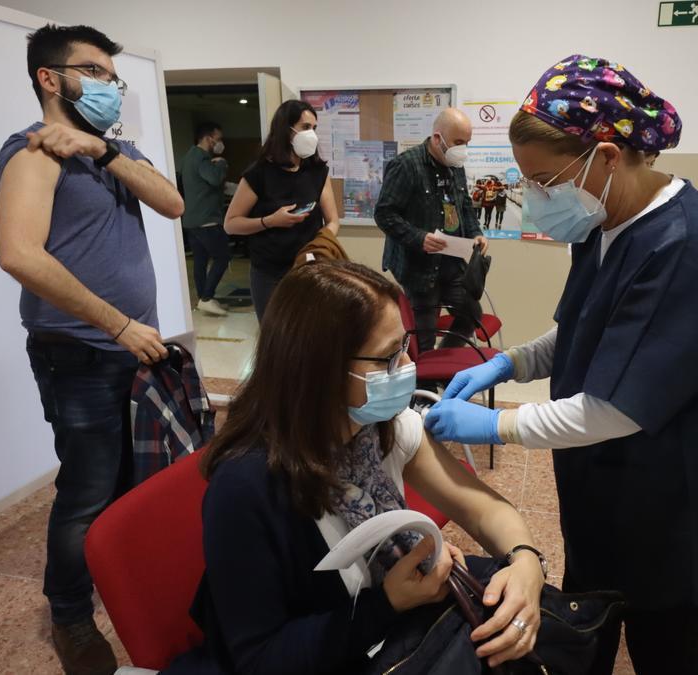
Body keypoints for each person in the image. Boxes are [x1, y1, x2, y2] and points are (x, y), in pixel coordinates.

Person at [421, 55, 698, 675]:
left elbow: (616, 409)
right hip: (608, 491)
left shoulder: (692, 251)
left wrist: (496, 425)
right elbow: (580, 329)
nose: (535, 198)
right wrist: (508, 362)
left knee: (663, 648)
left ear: (608, 156)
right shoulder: (606, 223)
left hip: (671, 505)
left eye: (544, 181)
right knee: (591, 628)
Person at [165, 261, 546, 674]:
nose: (406, 369)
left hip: (389, 638)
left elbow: (485, 510)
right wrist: (387, 603)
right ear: (320, 369)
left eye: (405, 348)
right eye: (387, 358)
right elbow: (261, 658)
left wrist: (525, 563)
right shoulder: (246, 488)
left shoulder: (379, 427)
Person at [0, 24, 184, 675]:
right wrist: (117, 324)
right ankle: (71, 615)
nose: (110, 85)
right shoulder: (31, 153)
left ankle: (130, 585)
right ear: (51, 78)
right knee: (87, 492)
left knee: (140, 484)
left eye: (112, 75)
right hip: (79, 354)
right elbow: (17, 253)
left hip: (140, 352)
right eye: (95, 71)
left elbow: (173, 201)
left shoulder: (113, 149)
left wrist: (100, 151)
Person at [375, 108, 489, 352]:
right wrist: (419, 238)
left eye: (467, 143)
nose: (463, 149)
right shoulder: (406, 165)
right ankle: (423, 386)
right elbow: (384, 214)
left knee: (471, 313)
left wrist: (475, 233)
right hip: (419, 267)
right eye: (459, 142)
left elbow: (465, 207)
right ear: (438, 138)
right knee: (423, 337)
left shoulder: (455, 164)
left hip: (452, 264)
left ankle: (442, 363)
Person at [223, 100, 341, 320]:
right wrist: (269, 221)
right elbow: (231, 224)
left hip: (309, 269)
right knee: (274, 339)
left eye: (314, 128)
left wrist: (318, 245)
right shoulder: (259, 173)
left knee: (310, 336)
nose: (312, 135)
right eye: (306, 127)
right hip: (270, 273)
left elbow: (333, 221)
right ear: (285, 129)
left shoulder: (317, 171)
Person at [182, 121, 231, 316]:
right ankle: (207, 297)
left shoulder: (188, 157)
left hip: (192, 219)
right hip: (207, 219)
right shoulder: (202, 158)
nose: (219, 143)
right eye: (218, 139)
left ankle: (204, 298)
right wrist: (222, 163)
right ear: (208, 138)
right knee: (222, 257)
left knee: (200, 260)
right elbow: (215, 179)